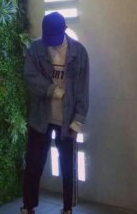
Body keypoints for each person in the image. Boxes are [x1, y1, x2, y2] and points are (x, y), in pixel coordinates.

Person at [21, 12, 89, 214]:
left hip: (66, 120)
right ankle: (28, 206)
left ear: (64, 30)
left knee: (68, 165)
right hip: (40, 117)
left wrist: (78, 121)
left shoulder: (79, 52)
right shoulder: (36, 48)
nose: (50, 42)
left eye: (54, 37)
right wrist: (52, 90)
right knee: (33, 163)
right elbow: (30, 76)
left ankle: (67, 208)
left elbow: (83, 89)